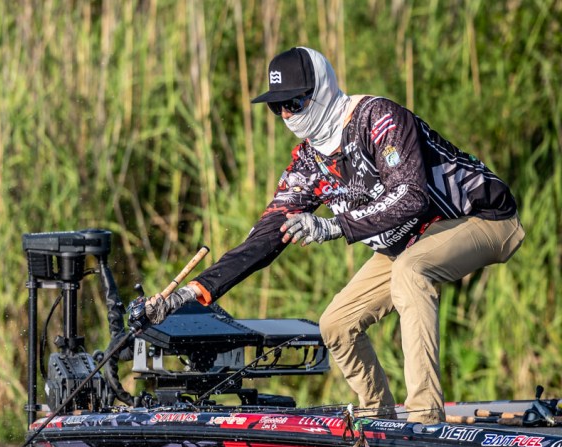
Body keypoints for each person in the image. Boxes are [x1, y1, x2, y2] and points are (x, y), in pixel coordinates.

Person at [143, 46, 524, 424]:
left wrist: (334, 225)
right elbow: (264, 238)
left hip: (480, 218)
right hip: (408, 241)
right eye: (277, 107)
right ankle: (378, 417)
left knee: (411, 271)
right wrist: (190, 293)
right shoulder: (308, 162)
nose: (287, 115)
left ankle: (425, 416)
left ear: (322, 91)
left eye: (294, 102)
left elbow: (410, 195)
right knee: (337, 323)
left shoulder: (378, 118)